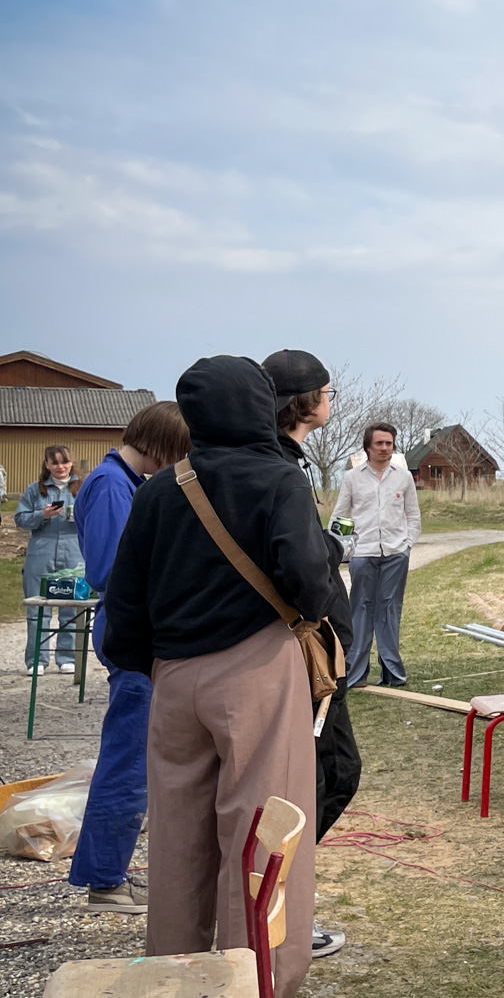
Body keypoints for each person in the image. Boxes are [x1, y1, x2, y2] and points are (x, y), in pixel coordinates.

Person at [102, 355, 341, 998]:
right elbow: (311, 589)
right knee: (264, 833)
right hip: (256, 668)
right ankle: (258, 979)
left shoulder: (157, 490)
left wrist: (152, 661)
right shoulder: (278, 480)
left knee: (178, 837)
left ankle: (171, 979)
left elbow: (122, 606)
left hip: (173, 678)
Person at [68, 402, 191, 914]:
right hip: (132, 636)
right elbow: (109, 569)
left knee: (137, 756)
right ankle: (105, 880)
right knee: (129, 758)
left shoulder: (125, 481)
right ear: (161, 446)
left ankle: (109, 873)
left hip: (138, 633)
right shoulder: (111, 484)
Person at [262, 349, 360, 960]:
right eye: (327, 390)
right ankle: (274, 906)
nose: (332, 399)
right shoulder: (275, 467)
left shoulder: (287, 462)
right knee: (322, 779)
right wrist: (324, 557)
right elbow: (294, 567)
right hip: (298, 651)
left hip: (318, 648)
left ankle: (276, 903)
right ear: (306, 400)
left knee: (330, 775)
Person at [333, 421, 420, 689]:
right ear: (368, 446)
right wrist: (344, 548)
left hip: (395, 553)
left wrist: (407, 545)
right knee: (360, 611)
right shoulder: (352, 477)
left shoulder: (403, 477)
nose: (384, 448)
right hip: (363, 554)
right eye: (379, 443)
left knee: (389, 610)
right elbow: (339, 516)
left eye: (389, 444)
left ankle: (393, 674)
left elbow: (413, 515)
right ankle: (356, 675)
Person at [15, 444, 82, 672]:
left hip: (73, 552)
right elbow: (20, 519)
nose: (60, 467)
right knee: (37, 608)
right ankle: (36, 661)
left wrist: (79, 517)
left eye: (64, 462)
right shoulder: (35, 490)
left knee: (70, 607)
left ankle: (67, 659)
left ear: (71, 463)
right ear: (47, 465)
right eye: (55, 463)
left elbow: (96, 517)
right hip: (40, 552)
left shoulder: (82, 488)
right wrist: (41, 514)